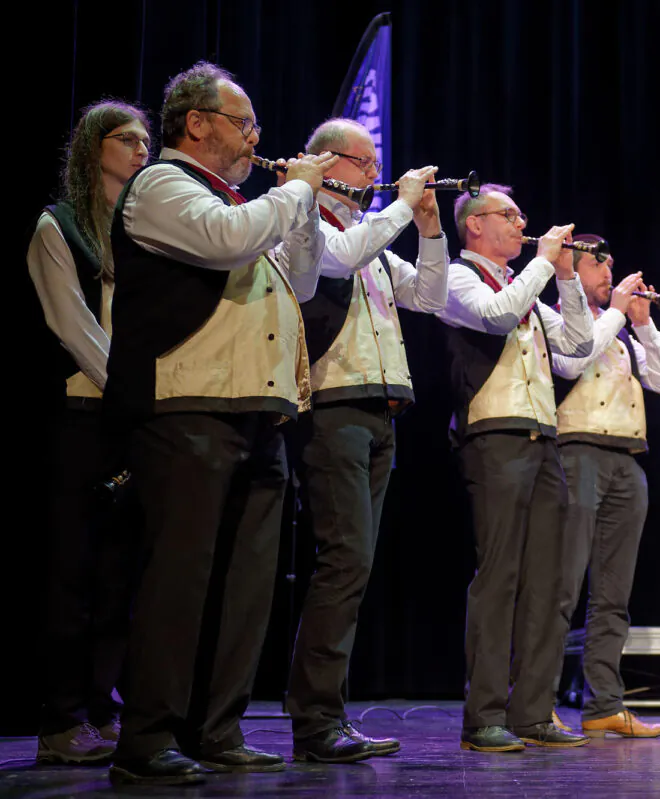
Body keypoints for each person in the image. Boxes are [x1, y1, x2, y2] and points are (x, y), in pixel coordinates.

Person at [104, 61, 337, 785]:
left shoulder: (236, 198)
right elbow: (228, 241)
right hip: (187, 407)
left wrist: (302, 208)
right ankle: (147, 737)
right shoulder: (164, 186)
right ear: (197, 124)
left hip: (255, 413)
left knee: (245, 587)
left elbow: (296, 281)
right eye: (243, 123)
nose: (255, 137)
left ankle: (217, 727)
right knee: (181, 579)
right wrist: (294, 188)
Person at [285, 118, 449, 762]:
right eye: (365, 159)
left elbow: (431, 297)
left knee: (354, 566)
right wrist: (404, 206)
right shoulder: (309, 220)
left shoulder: (374, 236)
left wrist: (431, 227)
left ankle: (328, 715)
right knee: (343, 561)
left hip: (380, 414)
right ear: (329, 162)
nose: (375, 170)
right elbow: (339, 259)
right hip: (332, 408)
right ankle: (314, 721)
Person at [437, 184, 593, 752]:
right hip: (494, 436)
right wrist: (543, 264)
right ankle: (484, 717)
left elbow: (576, 348)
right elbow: (495, 317)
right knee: (499, 578)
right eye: (510, 214)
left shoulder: (526, 286)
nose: (522, 222)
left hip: (543, 438)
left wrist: (570, 278)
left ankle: (533, 711)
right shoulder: (457, 276)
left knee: (548, 582)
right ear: (475, 225)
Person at [27, 100, 150, 764]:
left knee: (118, 575)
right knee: (72, 574)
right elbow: (73, 326)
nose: (141, 150)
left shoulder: (141, 229)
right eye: (127, 139)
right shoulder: (60, 226)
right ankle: (60, 716)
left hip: (130, 420)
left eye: (146, 141)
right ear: (92, 146)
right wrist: (135, 395)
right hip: (83, 416)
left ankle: (104, 707)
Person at [549, 236, 660, 739]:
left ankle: (604, 702)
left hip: (627, 460)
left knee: (613, 594)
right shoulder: (555, 315)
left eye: (611, 267)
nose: (609, 276)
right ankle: (537, 700)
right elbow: (571, 362)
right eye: (597, 267)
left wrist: (643, 322)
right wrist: (619, 314)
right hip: (576, 451)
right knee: (561, 585)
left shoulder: (622, 332)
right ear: (571, 273)